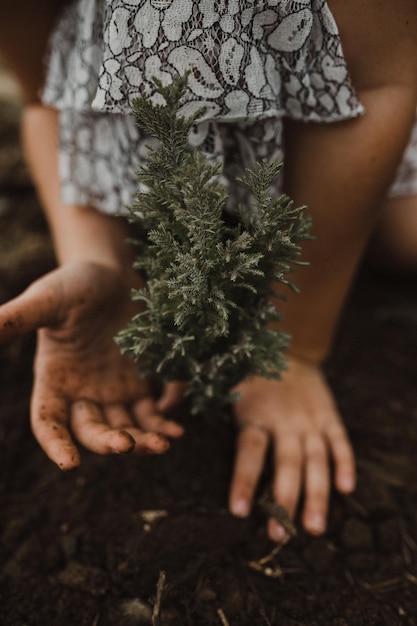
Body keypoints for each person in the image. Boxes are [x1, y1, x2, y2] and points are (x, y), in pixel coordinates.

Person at [0, 0, 416, 544]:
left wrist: (293, 347)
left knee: (404, 240)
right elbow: (40, 98)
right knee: (187, 236)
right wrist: (97, 256)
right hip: (146, 158)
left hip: (332, 120)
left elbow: (384, 80)